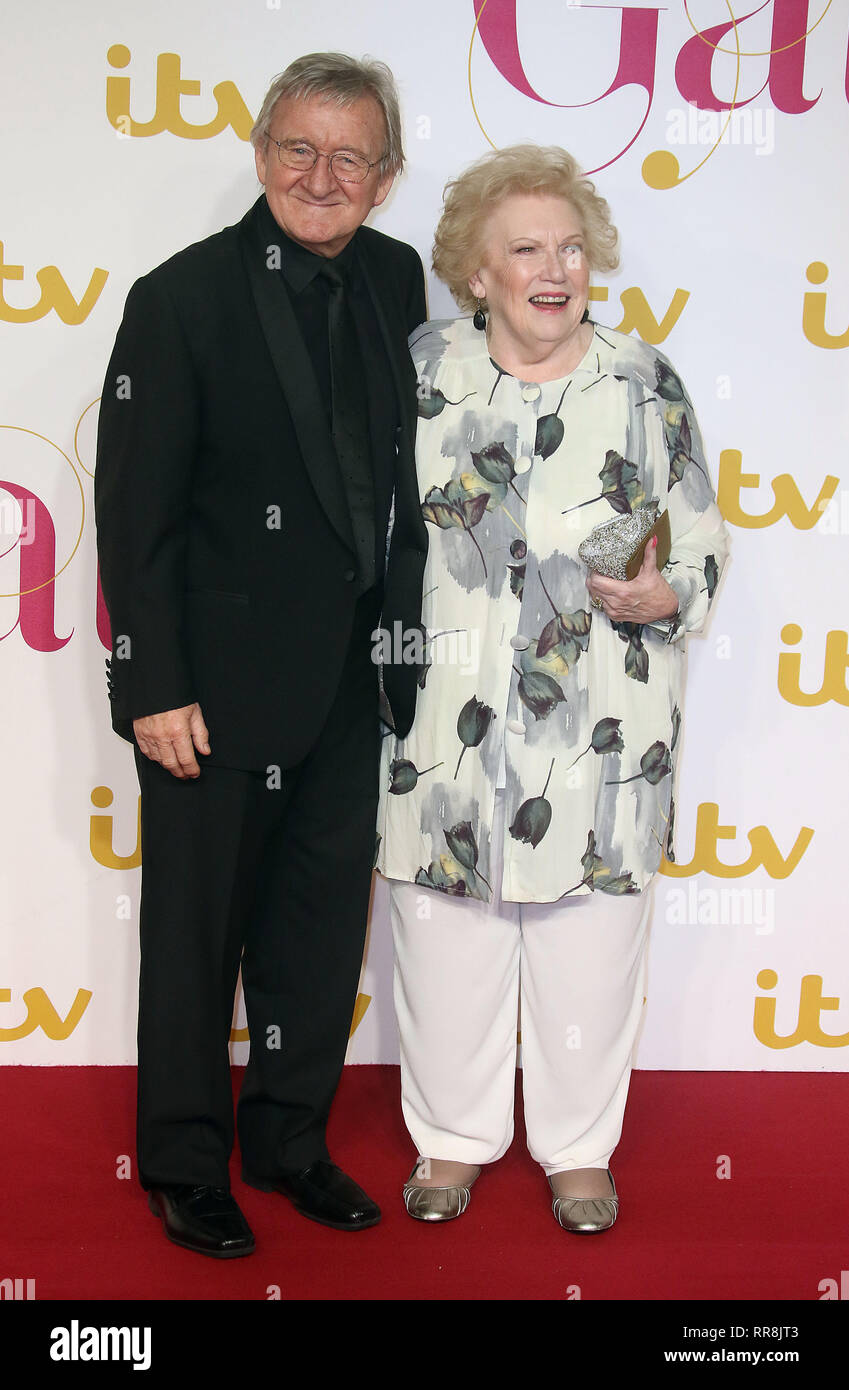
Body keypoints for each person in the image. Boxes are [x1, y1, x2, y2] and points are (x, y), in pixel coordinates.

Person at [95, 52, 427, 1258]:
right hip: (213, 694)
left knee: (312, 934)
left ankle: (289, 1141)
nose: (320, 175)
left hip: (353, 684)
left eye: (350, 156)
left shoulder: (396, 282)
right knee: (195, 940)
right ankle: (185, 1163)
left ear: (385, 179)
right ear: (259, 152)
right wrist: (152, 683)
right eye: (298, 147)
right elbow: (137, 517)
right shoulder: (178, 299)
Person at [376, 144, 729, 1230]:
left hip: (606, 726)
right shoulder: (418, 371)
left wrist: (667, 589)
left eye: (571, 248)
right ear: (475, 271)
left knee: (591, 943)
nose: (554, 267)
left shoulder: (644, 377)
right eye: (525, 247)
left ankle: (579, 1149)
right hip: (445, 722)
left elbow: (705, 534)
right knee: (444, 938)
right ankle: (450, 1140)